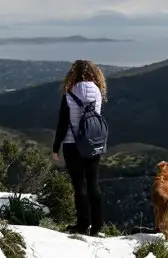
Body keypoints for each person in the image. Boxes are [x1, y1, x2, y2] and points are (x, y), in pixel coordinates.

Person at [51, 59, 107, 236]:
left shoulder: (69, 95)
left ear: (73, 75)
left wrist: (55, 147)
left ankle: (83, 224)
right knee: (93, 183)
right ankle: (98, 225)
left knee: (79, 185)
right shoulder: (98, 92)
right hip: (93, 143)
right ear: (93, 73)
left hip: (72, 144)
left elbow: (63, 123)